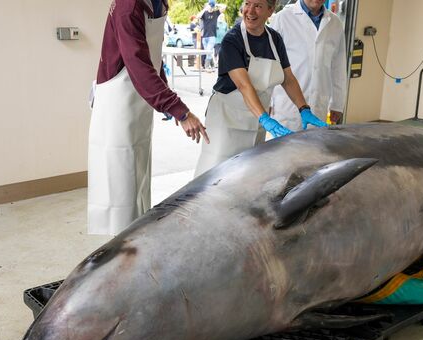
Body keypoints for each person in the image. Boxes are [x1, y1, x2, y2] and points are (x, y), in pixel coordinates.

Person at [88, 0, 208, 235]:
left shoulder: (159, 3)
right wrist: (179, 110)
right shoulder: (128, 6)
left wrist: (163, 95)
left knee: (138, 171)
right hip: (118, 99)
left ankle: (135, 236)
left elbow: (152, 55)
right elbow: (138, 64)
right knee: (120, 177)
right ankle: (119, 246)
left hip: (138, 98)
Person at [194, 0, 328, 177]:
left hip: (256, 120)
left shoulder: (274, 39)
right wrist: (266, 119)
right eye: (247, 3)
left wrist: (304, 109)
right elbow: (244, 85)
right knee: (216, 174)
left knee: (248, 175)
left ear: (270, 11)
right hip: (228, 121)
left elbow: (288, 78)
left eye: (258, 6)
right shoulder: (232, 40)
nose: (250, 11)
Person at [270, 0, 347, 130]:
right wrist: (268, 101)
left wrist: (337, 104)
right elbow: (270, 62)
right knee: (284, 148)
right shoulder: (282, 18)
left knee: (315, 149)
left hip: (318, 106)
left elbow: (338, 67)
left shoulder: (335, 24)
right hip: (287, 106)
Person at [199, 0, 222, 69]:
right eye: (210, 6)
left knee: (208, 51)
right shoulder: (204, 13)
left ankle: (206, 66)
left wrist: (216, 5)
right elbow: (198, 16)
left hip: (212, 36)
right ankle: (212, 65)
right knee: (207, 53)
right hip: (204, 36)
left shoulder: (216, 13)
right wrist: (205, 9)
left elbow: (224, 7)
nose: (211, 8)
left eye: (212, 6)